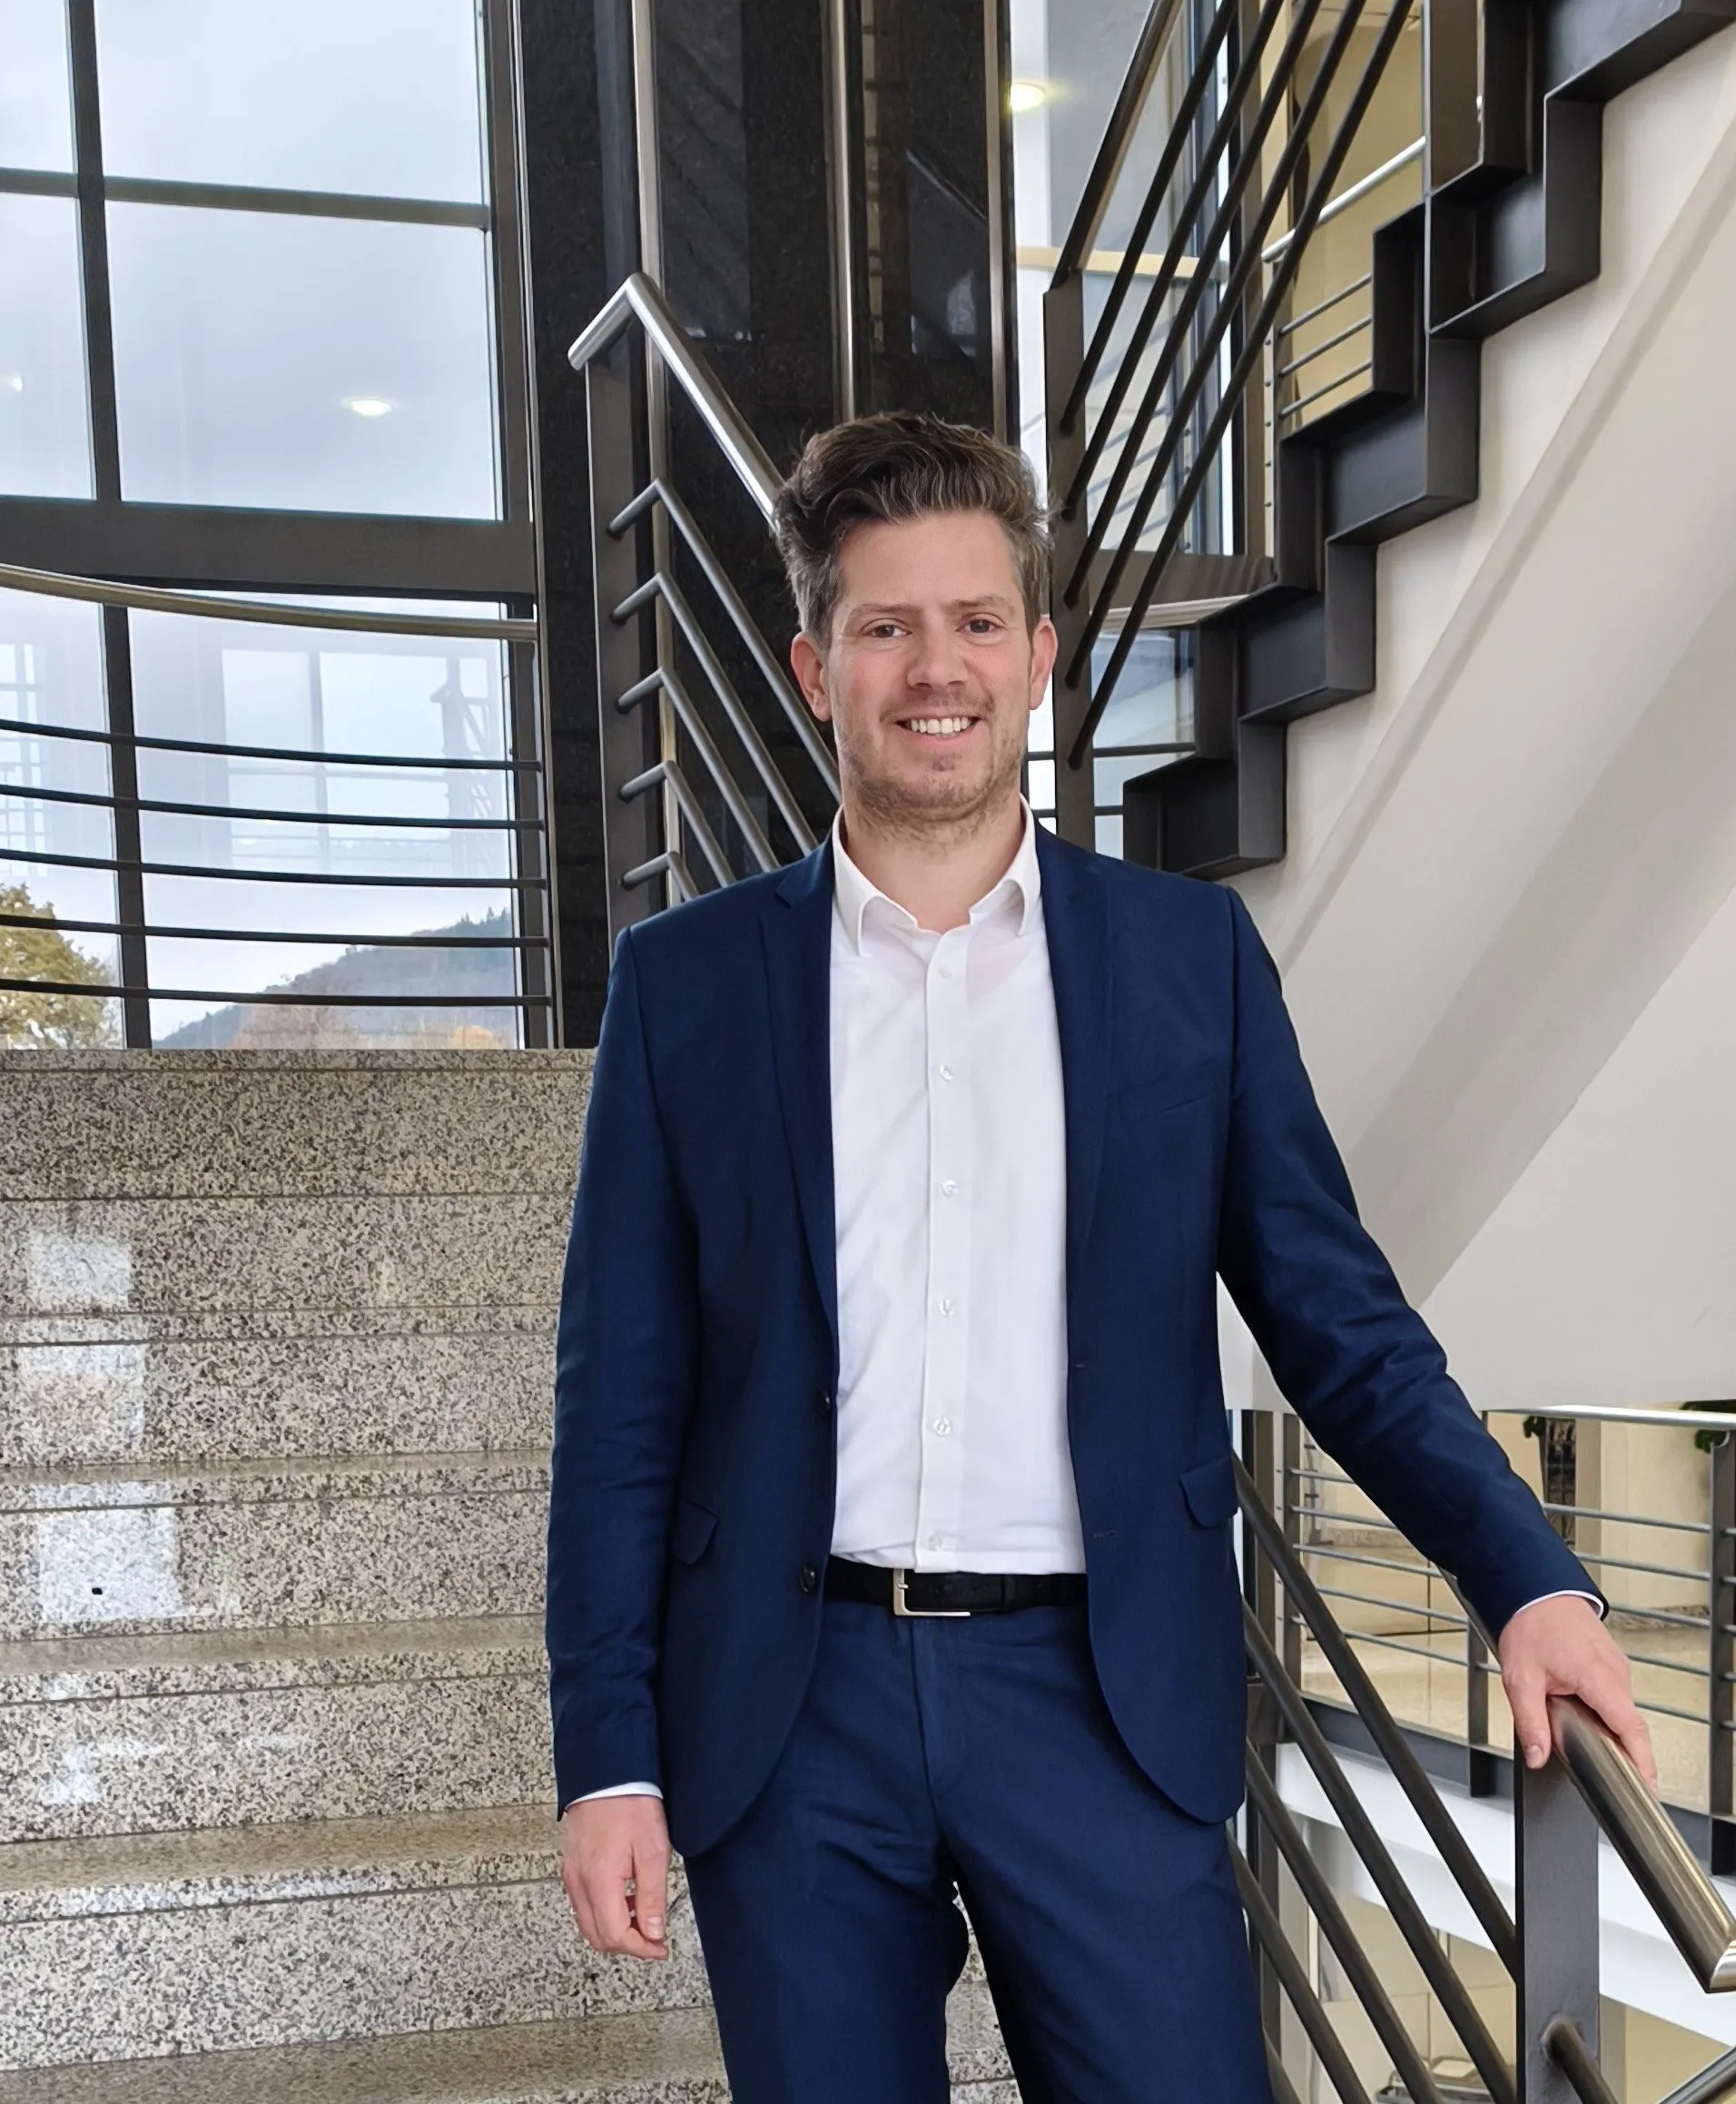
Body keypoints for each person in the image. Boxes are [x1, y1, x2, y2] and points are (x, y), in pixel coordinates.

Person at [546, 410, 1652, 2102]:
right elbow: (621, 1406)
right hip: (794, 1711)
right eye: (886, 626)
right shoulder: (686, 989)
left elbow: (1336, 1317)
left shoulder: (1183, 959)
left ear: (1041, 653)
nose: (938, 669)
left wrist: (1526, 1575)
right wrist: (607, 1753)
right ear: (809, 662)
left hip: (1103, 1696)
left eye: (978, 621)